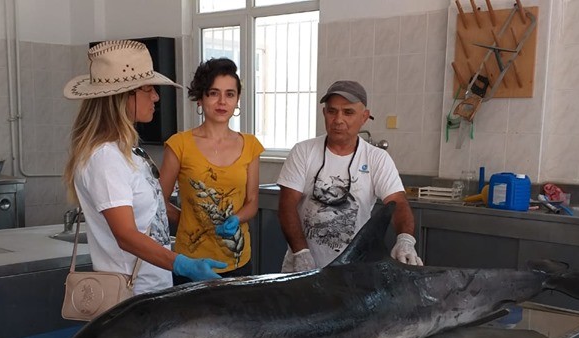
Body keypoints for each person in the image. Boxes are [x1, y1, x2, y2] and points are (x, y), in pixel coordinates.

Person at [62, 40, 226, 294]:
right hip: (130, 296)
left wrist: (196, 224)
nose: (156, 97)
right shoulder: (105, 158)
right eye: (148, 89)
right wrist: (182, 264)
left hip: (151, 290)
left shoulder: (128, 151)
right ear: (122, 97)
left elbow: (151, 212)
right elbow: (126, 234)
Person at [277, 80, 422, 272]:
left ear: (364, 117)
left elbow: (398, 202)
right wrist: (301, 253)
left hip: (353, 272)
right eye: (332, 111)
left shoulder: (376, 158)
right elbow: (287, 205)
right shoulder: (303, 151)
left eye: (348, 112)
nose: (338, 119)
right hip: (301, 268)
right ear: (324, 113)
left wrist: (405, 240)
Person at [159, 58, 264, 285]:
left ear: (237, 100)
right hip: (190, 262)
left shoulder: (251, 145)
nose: (222, 101)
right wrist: (188, 221)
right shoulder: (179, 144)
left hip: (238, 260)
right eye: (213, 93)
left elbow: (252, 201)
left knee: (238, 320)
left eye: (229, 94)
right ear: (200, 97)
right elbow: (157, 202)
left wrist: (237, 218)